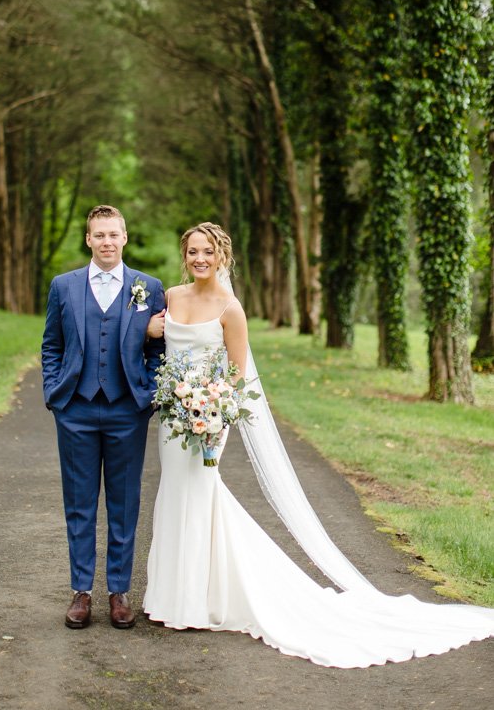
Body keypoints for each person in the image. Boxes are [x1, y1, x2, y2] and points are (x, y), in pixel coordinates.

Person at [143, 222, 494, 668]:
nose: (199, 259)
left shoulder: (231, 309)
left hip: (210, 415)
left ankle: (190, 602)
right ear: (185, 255)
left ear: (222, 257)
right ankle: (173, 595)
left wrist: (214, 409)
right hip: (174, 416)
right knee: (176, 494)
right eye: (193, 251)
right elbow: (157, 346)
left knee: (197, 491)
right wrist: (153, 334)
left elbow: (236, 372)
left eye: (207, 252)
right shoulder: (171, 298)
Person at [41, 204, 165, 630]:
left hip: (126, 411)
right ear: (88, 239)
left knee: (124, 503)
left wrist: (146, 394)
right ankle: (80, 591)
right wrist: (55, 396)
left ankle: (118, 591)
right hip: (74, 409)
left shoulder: (148, 287)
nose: (107, 242)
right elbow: (52, 345)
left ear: (124, 238)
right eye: (99, 235)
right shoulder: (64, 286)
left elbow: (157, 351)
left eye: (114, 235)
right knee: (78, 503)